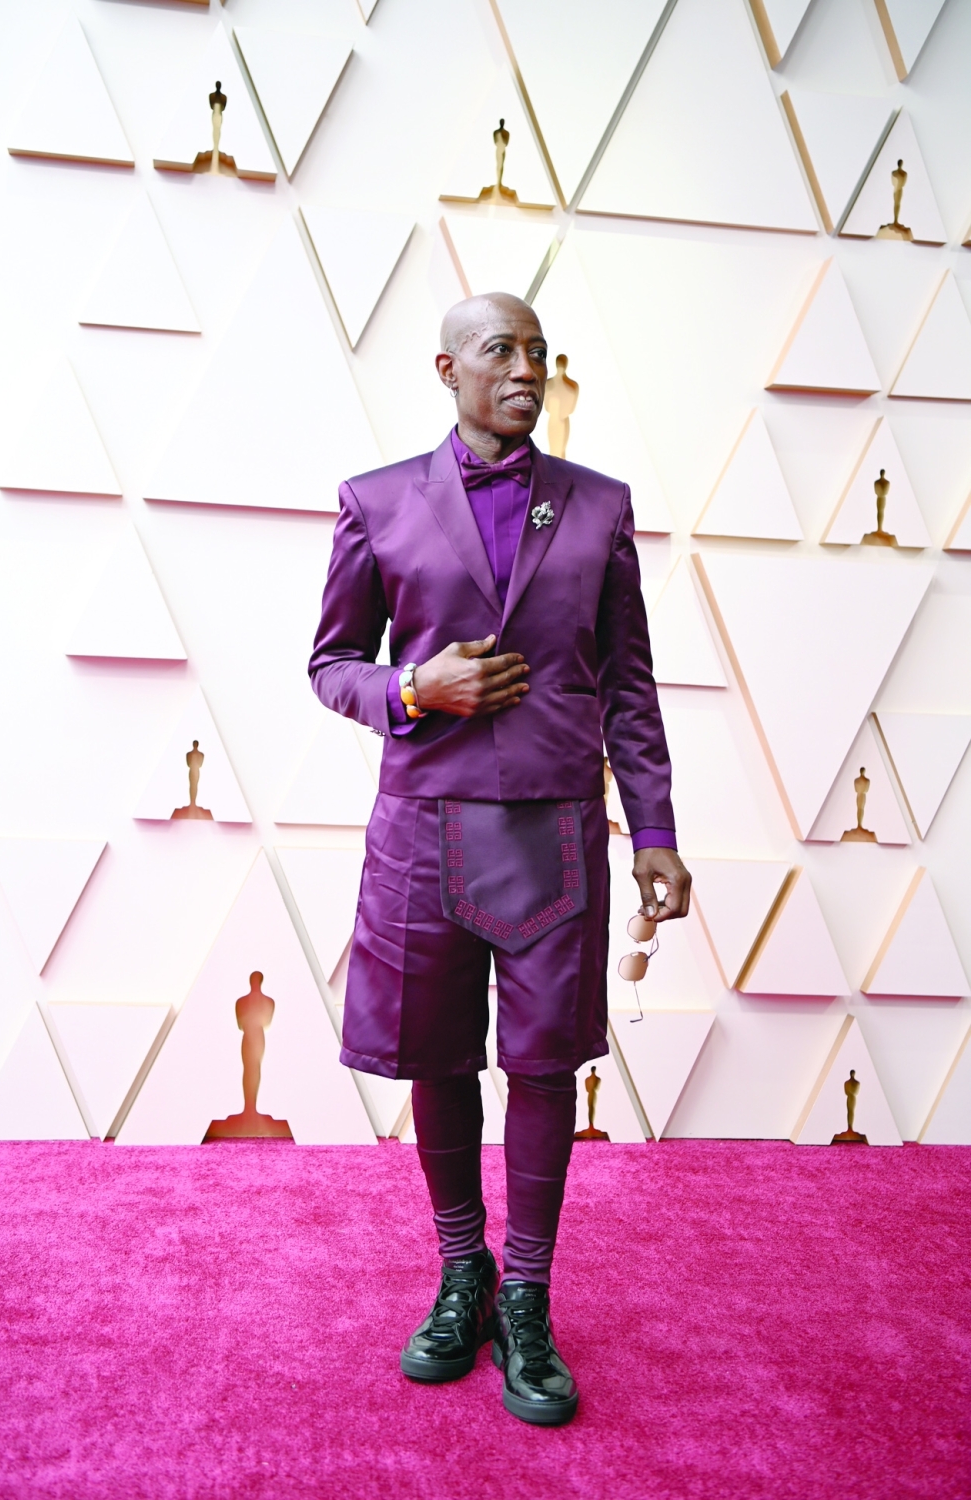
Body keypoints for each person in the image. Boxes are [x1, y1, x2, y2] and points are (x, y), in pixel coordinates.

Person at [309, 291, 690, 1426]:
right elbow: (331, 664)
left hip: (554, 833)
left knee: (538, 1064)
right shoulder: (375, 503)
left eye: (537, 352)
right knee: (436, 1056)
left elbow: (628, 683)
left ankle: (526, 1294)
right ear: (447, 369)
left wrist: (658, 832)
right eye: (499, 350)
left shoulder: (598, 507)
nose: (523, 367)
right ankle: (460, 1271)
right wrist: (414, 690)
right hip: (421, 831)